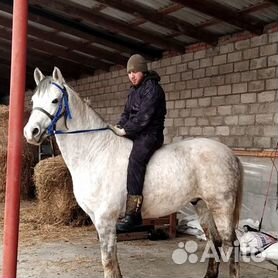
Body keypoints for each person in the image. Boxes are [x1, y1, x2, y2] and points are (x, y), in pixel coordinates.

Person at [109, 54, 166, 232]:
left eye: (135, 72)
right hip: (136, 132)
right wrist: (119, 126)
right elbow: (126, 114)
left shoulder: (153, 89)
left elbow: (144, 117)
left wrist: (126, 130)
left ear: (143, 71)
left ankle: (133, 214)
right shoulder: (133, 90)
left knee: (135, 161)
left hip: (150, 134)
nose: (132, 76)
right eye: (129, 73)